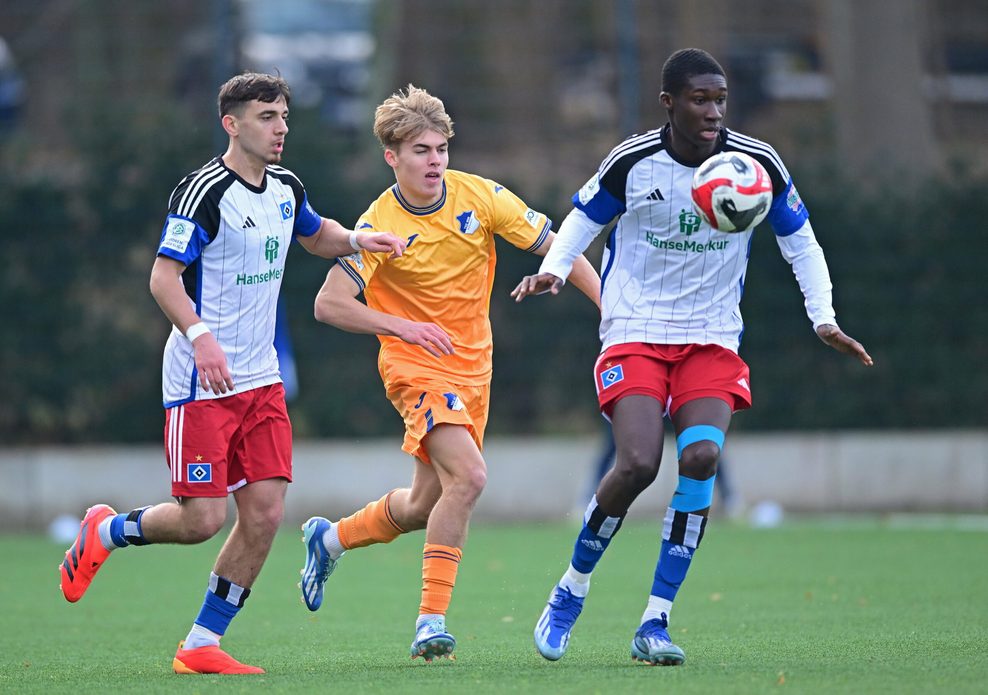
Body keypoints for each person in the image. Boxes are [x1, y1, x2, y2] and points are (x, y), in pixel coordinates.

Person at [511, 48, 873, 666]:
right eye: (700, 100)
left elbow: (799, 240)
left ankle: (656, 620)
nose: (713, 111)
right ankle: (571, 589)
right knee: (637, 464)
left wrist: (824, 317)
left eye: (720, 99)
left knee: (701, 454)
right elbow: (580, 220)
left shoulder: (755, 165)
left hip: (711, 336)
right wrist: (550, 270)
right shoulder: (633, 162)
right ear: (669, 103)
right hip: (635, 330)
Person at [58, 72, 405, 675]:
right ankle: (107, 530)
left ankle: (200, 645)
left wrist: (357, 239)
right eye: (268, 117)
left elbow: (315, 234)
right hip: (202, 381)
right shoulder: (204, 193)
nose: (281, 128)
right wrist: (202, 340)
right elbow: (163, 278)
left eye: (285, 117)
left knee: (267, 513)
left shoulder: (286, 188)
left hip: (262, 379)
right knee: (201, 520)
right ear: (232, 123)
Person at [298, 84, 600, 662]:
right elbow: (328, 304)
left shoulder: (480, 196)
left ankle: (330, 539)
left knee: (421, 505)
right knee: (471, 478)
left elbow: (560, 247)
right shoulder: (377, 225)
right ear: (392, 156)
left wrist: (611, 313)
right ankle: (429, 623)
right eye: (420, 150)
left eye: (440, 148)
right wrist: (401, 327)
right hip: (413, 368)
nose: (435, 160)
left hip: (473, 370)